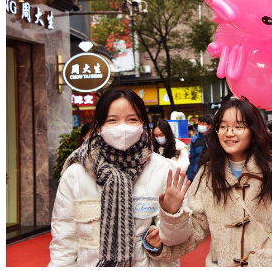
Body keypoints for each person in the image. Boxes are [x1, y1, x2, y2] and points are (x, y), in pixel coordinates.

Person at [145, 99, 272, 267]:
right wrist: (163, 240)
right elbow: (196, 228)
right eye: (223, 126)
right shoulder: (208, 173)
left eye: (238, 126)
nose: (229, 133)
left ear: (254, 131)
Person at [49, 88, 192, 267]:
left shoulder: (164, 170)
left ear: (142, 123)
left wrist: (172, 215)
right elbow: (64, 242)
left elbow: (178, 240)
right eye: (112, 120)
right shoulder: (76, 174)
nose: (122, 127)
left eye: (132, 119)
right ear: (99, 126)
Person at [188, 115, 212, 181]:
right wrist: (190, 176)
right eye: (199, 123)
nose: (200, 125)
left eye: (203, 123)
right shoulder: (194, 140)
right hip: (197, 172)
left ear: (209, 126)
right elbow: (192, 160)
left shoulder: (214, 139)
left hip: (210, 172)